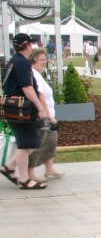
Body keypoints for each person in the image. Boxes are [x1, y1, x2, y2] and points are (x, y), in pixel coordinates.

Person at [1, 33, 50, 190]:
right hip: (21, 109)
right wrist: (40, 108)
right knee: (28, 144)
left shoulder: (13, 62)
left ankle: (9, 168)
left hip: (12, 108)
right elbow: (27, 88)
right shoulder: (22, 63)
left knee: (28, 142)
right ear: (28, 45)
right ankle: (24, 179)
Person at [26, 47, 63, 182]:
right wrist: (49, 116)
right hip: (43, 117)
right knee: (38, 144)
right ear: (34, 60)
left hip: (48, 117)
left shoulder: (38, 74)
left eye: (45, 60)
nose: (44, 62)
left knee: (51, 142)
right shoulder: (33, 74)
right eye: (42, 60)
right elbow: (40, 96)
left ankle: (49, 169)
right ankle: (30, 174)